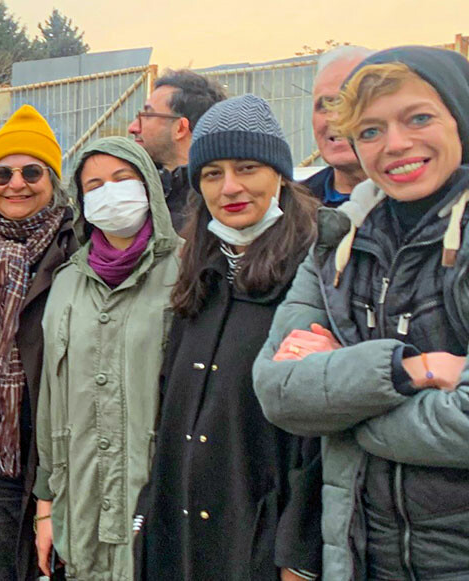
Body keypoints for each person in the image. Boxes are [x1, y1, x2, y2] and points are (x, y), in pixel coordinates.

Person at [254, 46, 469, 581]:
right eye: (370, 131)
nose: (395, 144)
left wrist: (346, 412)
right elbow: (278, 391)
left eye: (418, 118)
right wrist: (404, 371)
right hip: (357, 557)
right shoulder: (337, 241)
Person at [135, 95, 322, 581]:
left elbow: (319, 441)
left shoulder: (313, 278)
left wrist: (299, 554)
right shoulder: (201, 274)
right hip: (179, 541)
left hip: (256, 543)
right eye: (212, 173)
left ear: (280, 174)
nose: (230, 187)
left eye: (247, 167)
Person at [33, 135, 181, 580]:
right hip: (78, 496)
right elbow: (50, 396)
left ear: (149, 187)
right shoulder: (66, 282)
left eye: (122, 179)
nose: (109, 193)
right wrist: (45, 505)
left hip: (158, 494)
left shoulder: (187, 271)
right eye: (94, 185)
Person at [0, 104, 80, 581]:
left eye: (32, 171)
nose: (16, 183)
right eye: (2, 173)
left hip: (57, 446)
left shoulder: (81, 249)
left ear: (53, 180)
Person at [128, 70, 227, 232]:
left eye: (147, 115)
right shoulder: (137, 193)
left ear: (180, 128)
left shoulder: (216, 206)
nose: (132, 128)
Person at [303, 46, 375, 207]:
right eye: (326, 105)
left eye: (351, 103)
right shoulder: (290, 208)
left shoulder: (430, 206)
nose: (336, 118)